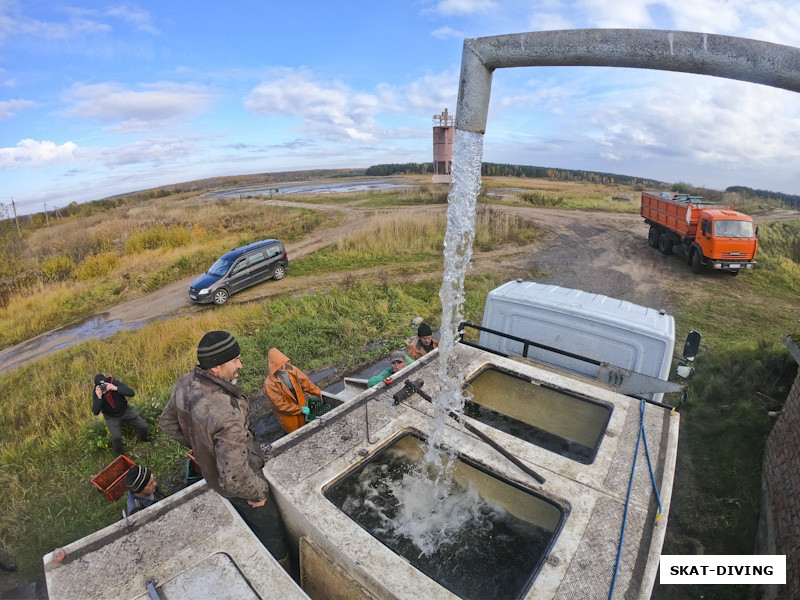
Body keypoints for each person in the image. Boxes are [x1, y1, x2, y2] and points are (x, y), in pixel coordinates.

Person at [158, 331, 289, 566]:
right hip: (237, 485)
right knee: (272, 530)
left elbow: (167, 423)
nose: (241, 365)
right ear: (216, 369)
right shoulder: (226, 410)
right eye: (235, 360)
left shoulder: (184, 382)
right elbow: (235, 477)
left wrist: (201, 446)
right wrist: (259, 493)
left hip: (211, 477)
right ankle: (279, 568)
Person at [264, 348, 322, 434]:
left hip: (300, 404)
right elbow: (281, 406)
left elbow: (307, 384)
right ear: (273, 367)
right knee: (295, 435)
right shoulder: (269, 384)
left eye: (283, 363)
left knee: (308, 430)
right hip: (288, 417)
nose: (282, 366)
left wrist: (321, 394)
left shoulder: (292, 369)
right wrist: (300, 409)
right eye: (278, 365)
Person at [92, 373, 151, 455]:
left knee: (143, 426)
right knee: (116, 438)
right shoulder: (97, 392)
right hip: (111, 416)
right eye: (101, 387)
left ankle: (145, 439)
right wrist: (99, 397)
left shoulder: (114, 383)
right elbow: (95, 411)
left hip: (125, 410)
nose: (104, 388)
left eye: (104, 385)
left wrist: (115, 388)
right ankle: (119, 455)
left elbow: (131, 393)